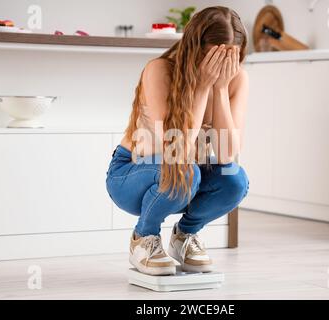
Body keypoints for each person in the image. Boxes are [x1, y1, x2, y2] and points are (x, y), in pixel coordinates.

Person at [106, 6, 249, 276]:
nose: (221, 67)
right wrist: (203, 86)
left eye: (229, 58)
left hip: (186, 178)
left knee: (235, 179)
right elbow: (175, 149)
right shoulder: (160, 70)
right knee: (186, 169)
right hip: (132, 175)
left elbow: (228, 155)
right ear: (194, 48)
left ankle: (184, 236)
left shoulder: (235, 78)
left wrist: (219, 89)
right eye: (213, 58)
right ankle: (143, 238)